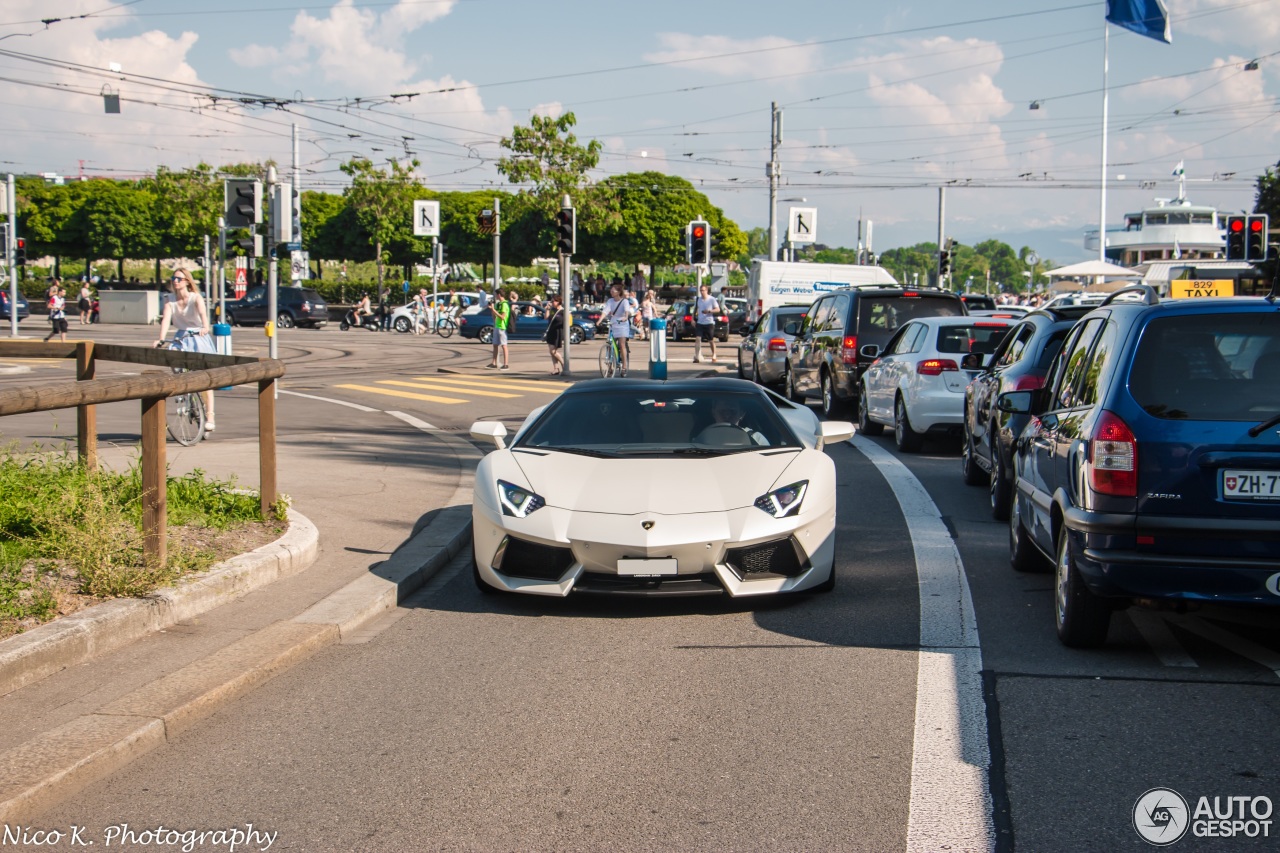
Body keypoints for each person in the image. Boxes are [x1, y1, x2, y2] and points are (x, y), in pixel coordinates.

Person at [154, 269, 216, 431]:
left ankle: (210, 415)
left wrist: (205, 327)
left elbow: (204, 316)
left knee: (204, 377)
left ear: (187, 281)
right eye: (173, 278)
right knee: (176, 367)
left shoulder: (195, 298)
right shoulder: (170, 301)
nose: (175, 281)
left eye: (179, 278)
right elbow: (166, 320)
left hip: (197, 336)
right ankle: (185, 394)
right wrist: (160, 338)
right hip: (181, 337)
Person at [603, 282, 636, 376]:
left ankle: (624, 367)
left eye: (613, 290)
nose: (611, 291)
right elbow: (605, 311)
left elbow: (626, 312)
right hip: (613, 324)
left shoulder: (624, 301)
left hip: (622, 324)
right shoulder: (610, 301)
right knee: (609, 344)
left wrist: (625, 317)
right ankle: (610, 367)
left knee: (622, 345)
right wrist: (599, 320)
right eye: (611, 290)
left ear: (618, 292)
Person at [693, 284, 719, 363]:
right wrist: (692, 319)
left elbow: (718, 309)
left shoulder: (712, 299)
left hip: (709, 322)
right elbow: (695, 310)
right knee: (698, 338)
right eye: (701, 290)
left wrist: (709, 311)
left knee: (710, 340)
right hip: (700, 322)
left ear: (707, 291)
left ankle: (714, 354)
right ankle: (697, 356)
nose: (702, 292)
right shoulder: (698, 299)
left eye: (703, 290)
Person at [543, 294, 566, 375]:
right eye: (552, 301)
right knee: (551, 351)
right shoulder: (552, 309)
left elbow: (566, 322)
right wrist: (547, 309)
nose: (553, 302)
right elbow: (546, 317)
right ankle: (556, 368)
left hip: (558, 332)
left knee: (553, 351)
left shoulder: (563, 311)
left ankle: (564, 365)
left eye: (554, 301)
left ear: (559, 302)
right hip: (551, 331)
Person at [488, 290, 511, 370]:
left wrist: (494, 310)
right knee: (495, 345)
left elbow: (502, 317)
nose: (495, 297)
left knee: (504, 346)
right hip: (497, 326)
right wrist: (492, 309)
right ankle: (494, 363)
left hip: (502, 327)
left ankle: (506, 364)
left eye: (496, 295)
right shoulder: (499, 304)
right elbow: (495, 316)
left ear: (499, 295)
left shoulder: (504, 304)